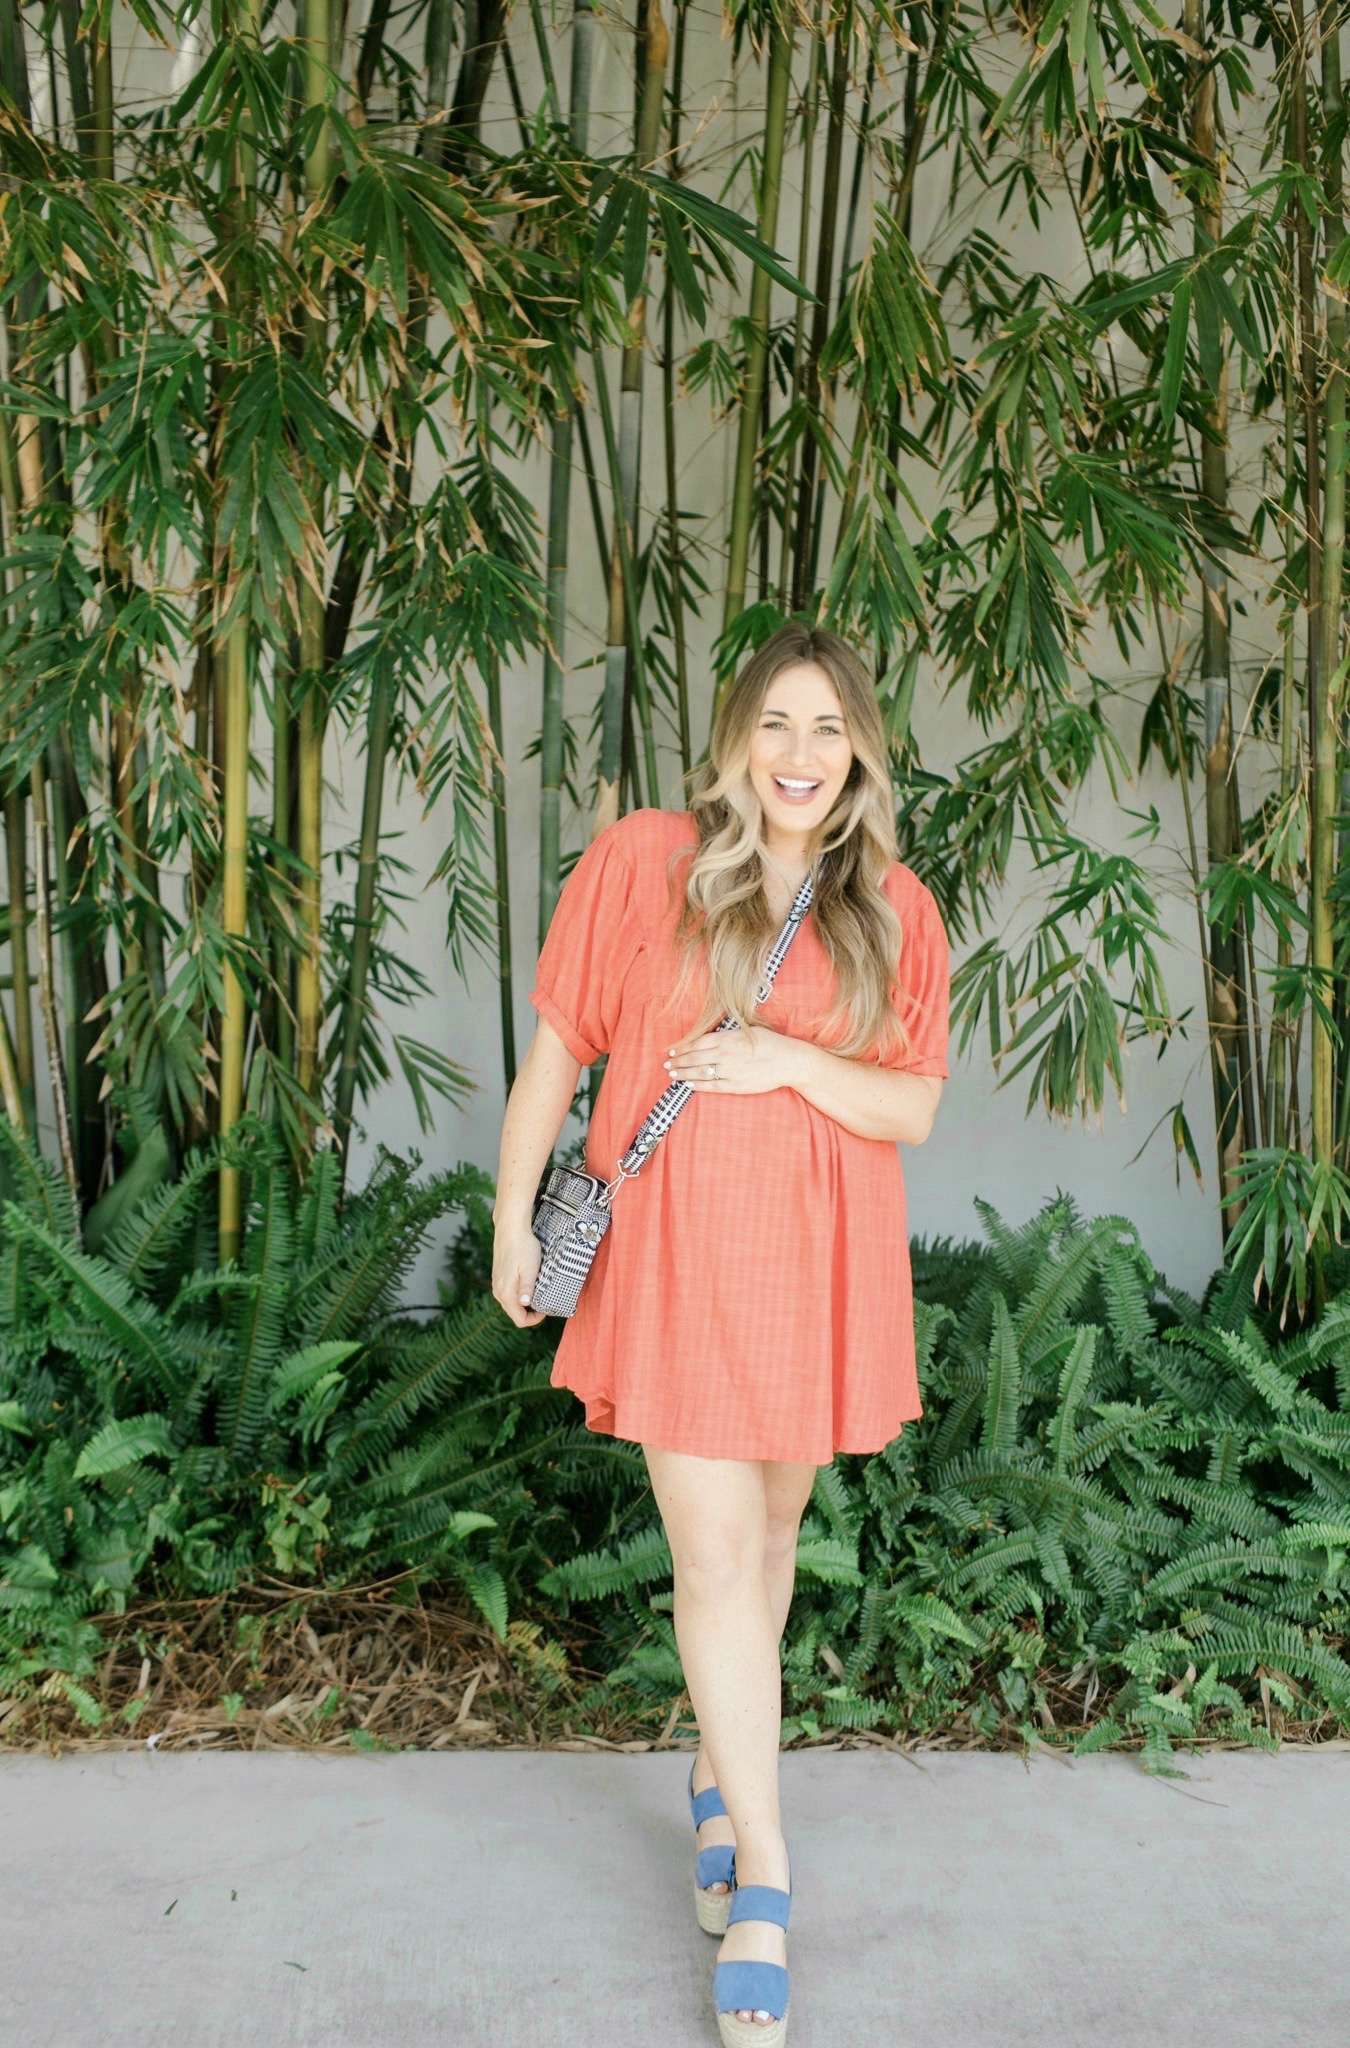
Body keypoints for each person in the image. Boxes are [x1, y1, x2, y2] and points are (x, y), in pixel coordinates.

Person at [491, 622, 950, 2046]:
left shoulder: (892, 908)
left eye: (827, 729)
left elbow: (908, 1109)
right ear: (731, 737)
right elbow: (560, 1053)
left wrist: (789, 1059)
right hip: (679, 1260)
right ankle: (762, 1867)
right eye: (774, 725)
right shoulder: (640, 861)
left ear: (861, 748)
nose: (800, 756)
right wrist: (513, 1220)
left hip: (815, 1268)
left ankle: (713, 1771)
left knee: (770, 1538)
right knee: (709, 1550)